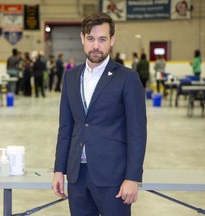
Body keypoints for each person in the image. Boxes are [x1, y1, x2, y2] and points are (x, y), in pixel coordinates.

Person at [52, 13, 147, 216]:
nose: (96, 45)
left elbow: (137, 132)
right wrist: (59, 170)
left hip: (114, 178)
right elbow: (66, 128)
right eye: (91, 39)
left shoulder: (127, 78)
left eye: (102, 39)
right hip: (77, 176)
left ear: (111, 40)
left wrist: (132, 177)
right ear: (82, 39)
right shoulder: (70, 76)